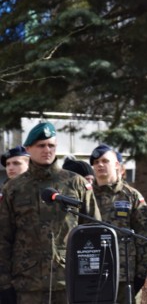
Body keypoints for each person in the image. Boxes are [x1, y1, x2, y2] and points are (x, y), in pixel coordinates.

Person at [0, 122, 101, 304]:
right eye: (41, 145)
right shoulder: (14, 188)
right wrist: (4, 283)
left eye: (51, 145)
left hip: (68, 281)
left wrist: (92, 277)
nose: (47, 150)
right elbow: (3, 238)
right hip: (27, 284)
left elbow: (94, 232)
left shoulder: (75, 183)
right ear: (28, 149)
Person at [89, 143, 147, 303]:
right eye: (96, 162)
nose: (100, 165)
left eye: (105, 161)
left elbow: (145, 237)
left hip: (125, 278)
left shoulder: (130, 196)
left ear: (117, 165)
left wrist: (140, 274)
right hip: (91, 276)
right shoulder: (85, 196)